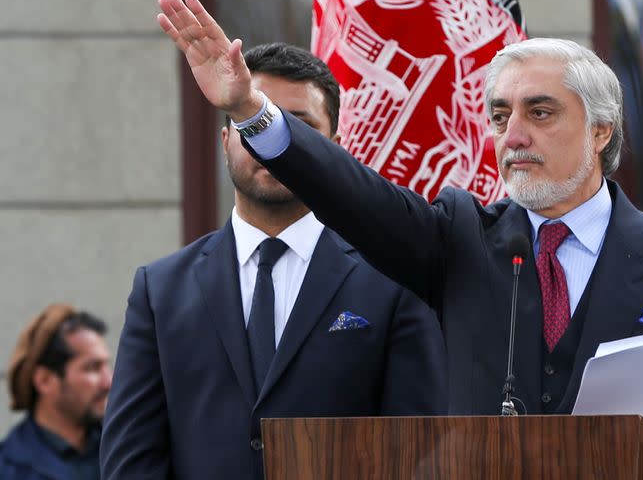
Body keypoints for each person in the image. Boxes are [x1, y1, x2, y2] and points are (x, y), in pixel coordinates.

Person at [156, 0, 643, 479]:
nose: (513, 134)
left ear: (601, 132)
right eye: (501, 116)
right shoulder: (460, 237)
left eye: (540, 112)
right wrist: (251, 112)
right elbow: (353, 194)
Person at [99, 42, 448, 480]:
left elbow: (418, 453)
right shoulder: (161, 289)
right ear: (225, 140)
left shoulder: (394, 280)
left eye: (297, 129)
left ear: (333, 150)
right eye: (250, 125)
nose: (268, 146)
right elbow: (131, 462)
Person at [0, 304, 112, 480]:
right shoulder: (9, 470)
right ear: (44, 381)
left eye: (107, 366)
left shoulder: (123, 449)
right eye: (92, 368)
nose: (109, 382)